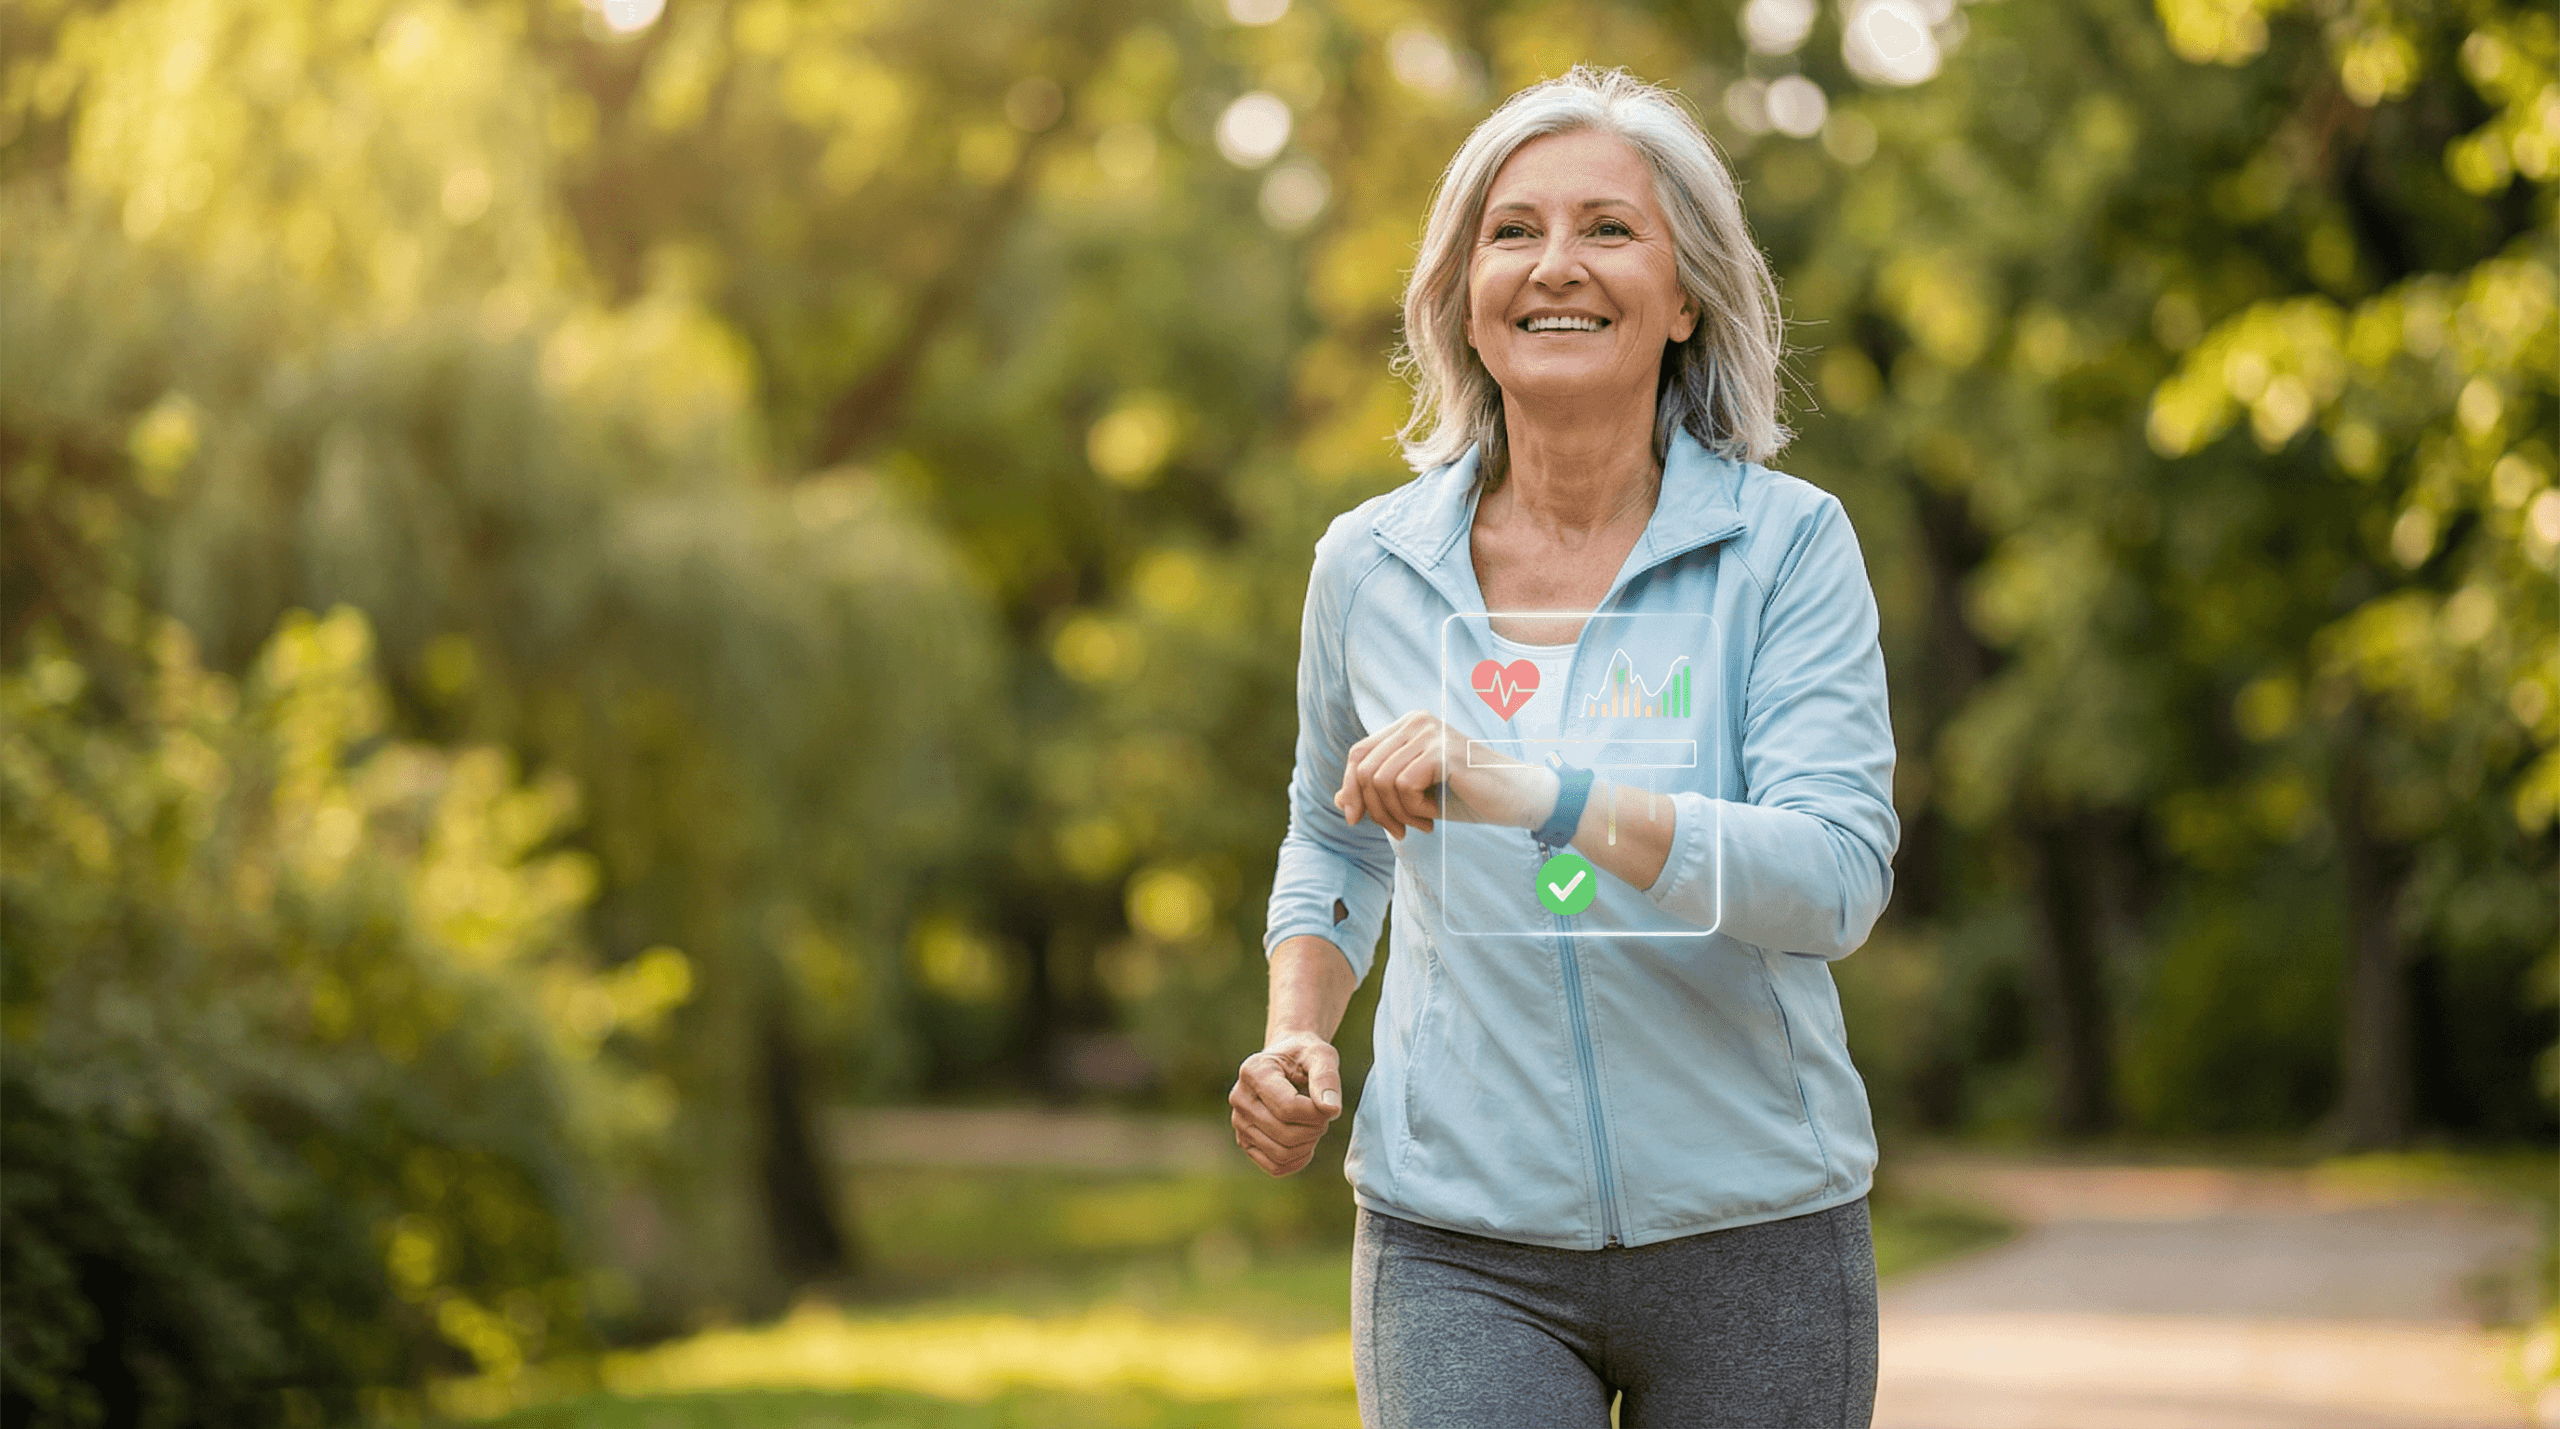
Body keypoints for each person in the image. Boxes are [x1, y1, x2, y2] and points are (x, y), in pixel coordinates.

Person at [1227, 67, 1898, 1428]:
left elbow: (1833, 880)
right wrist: (1297, 1031)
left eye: (1608, 228)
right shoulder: (1368, 566)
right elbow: (1333, 833)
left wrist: (1532, 790)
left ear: (1686, 295)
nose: (1555, 265)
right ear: (1463, 292)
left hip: (1757, 1236)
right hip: (1455, 1245)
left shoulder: (1786, 549)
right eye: (1513, 231)